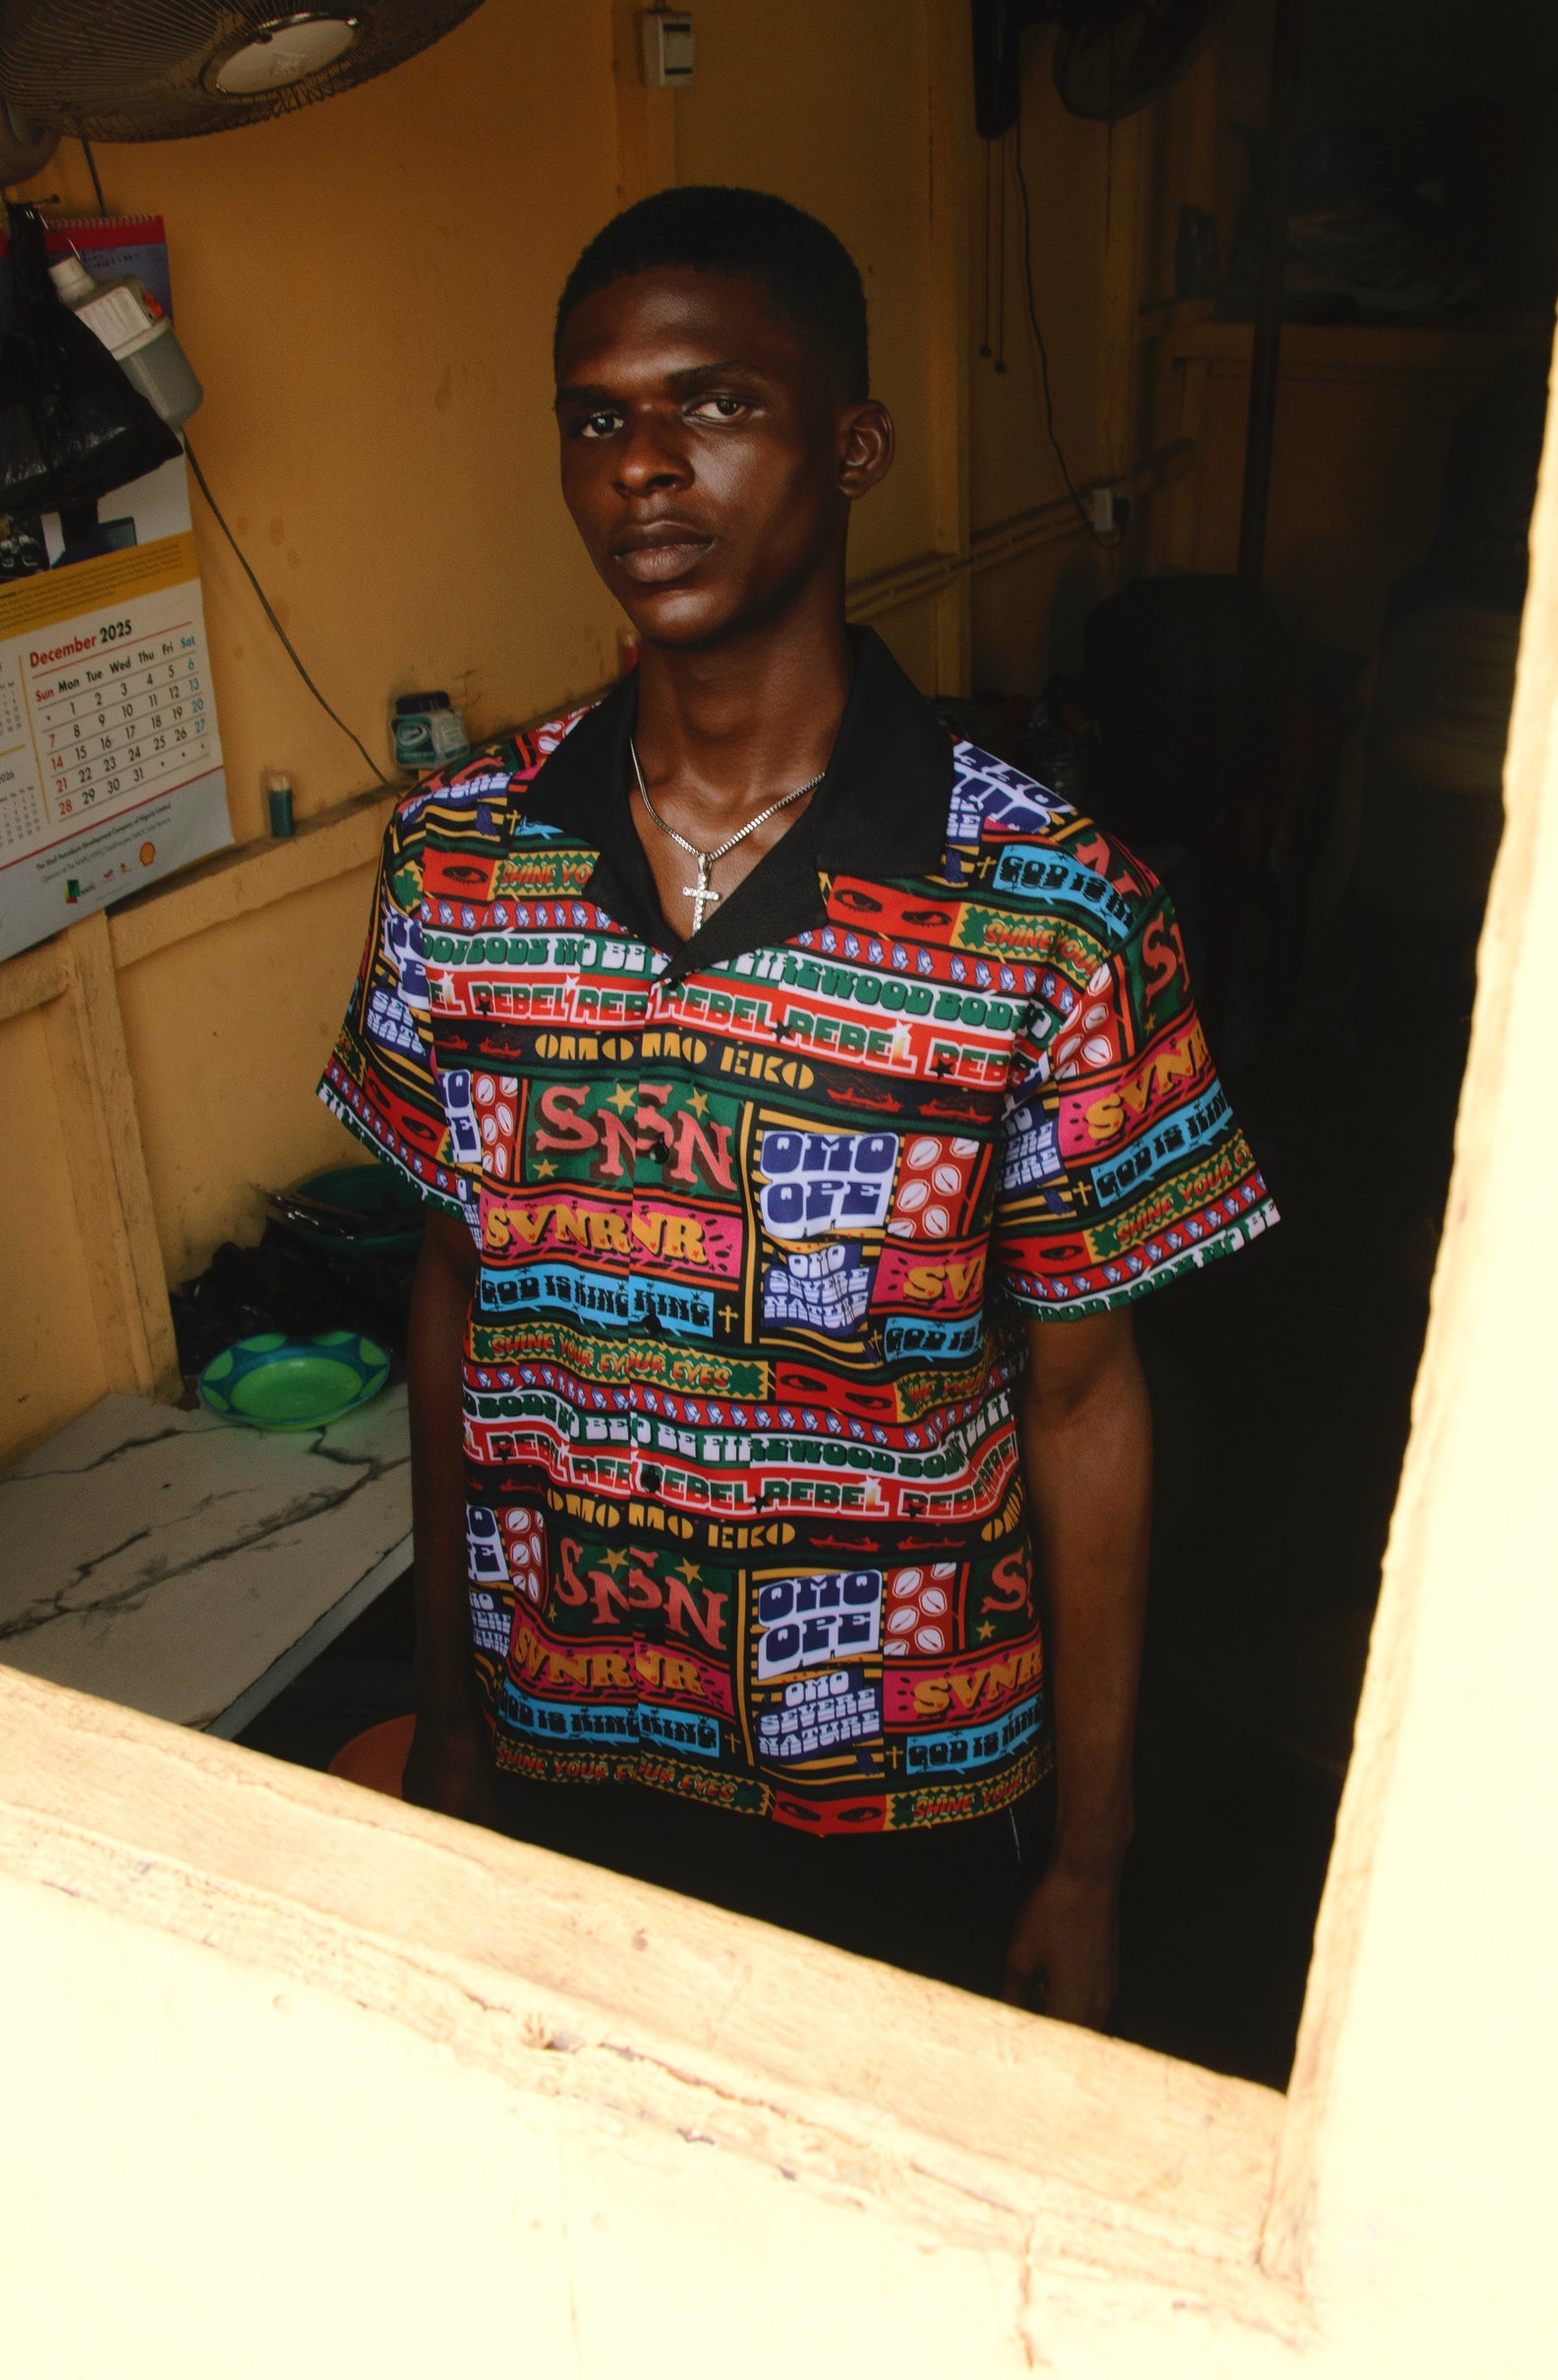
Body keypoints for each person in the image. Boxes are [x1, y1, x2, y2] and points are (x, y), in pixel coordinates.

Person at [322, 187, 1274, 2027]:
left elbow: (1087, 1400)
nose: (644, 465)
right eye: (596, 416)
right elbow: (451, 1287)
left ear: (854, 448)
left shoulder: (1052, 907)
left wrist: (1094, 1855)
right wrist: (448, 1709)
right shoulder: (458, 860)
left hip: (908, 1774)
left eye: (717, 403)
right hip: (564, 1728)